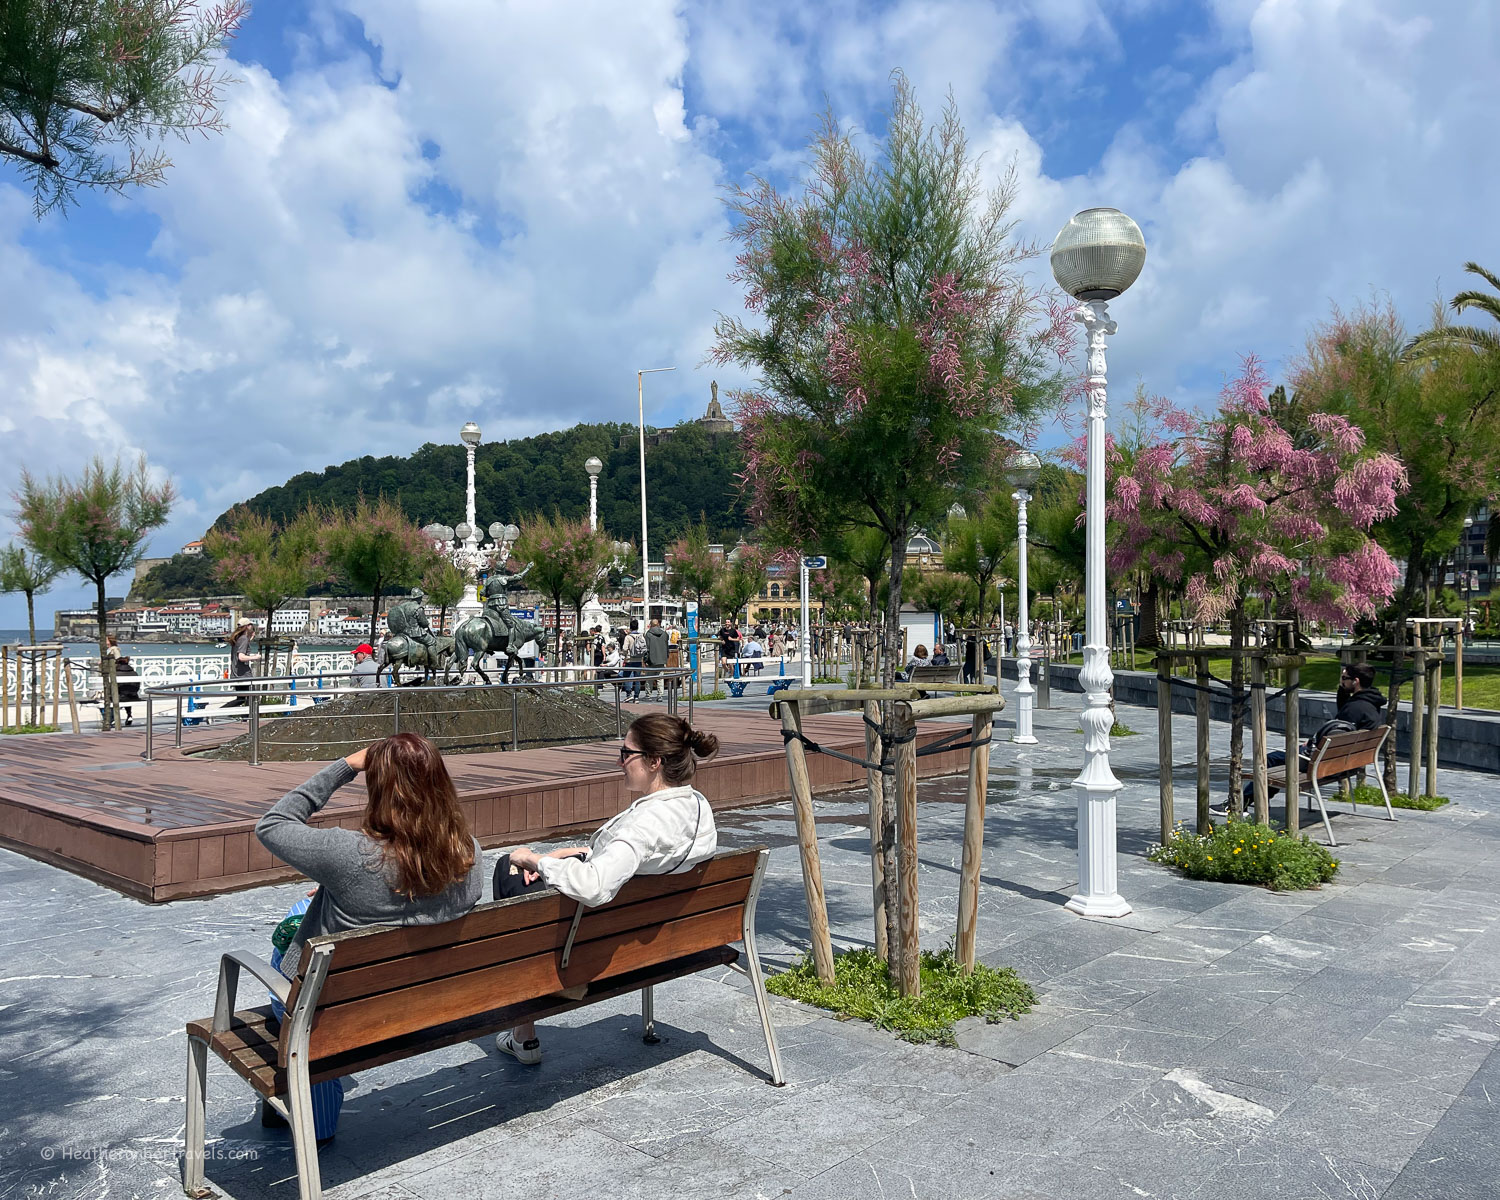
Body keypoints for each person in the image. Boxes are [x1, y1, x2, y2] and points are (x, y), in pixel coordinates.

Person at [255, 733, 484, 1141]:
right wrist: (336, 890)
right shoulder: (469, 852)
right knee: (313, 913)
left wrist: (345, 766)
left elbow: (272, 824)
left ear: (379, 788)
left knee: (295, 933)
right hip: (426, 996)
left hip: (337, 1011)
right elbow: (412, 888)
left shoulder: (348, 854)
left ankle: (317, 1121)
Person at [494, 713, 720, 1064]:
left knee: (507, 870)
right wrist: (577, 855)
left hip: (591, 952)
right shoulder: (698, 807)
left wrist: (535, 860)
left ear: (654, 762)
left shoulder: (644, 824)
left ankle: (524, 1032)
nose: (619, 761)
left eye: (625, 753)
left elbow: (596, 886)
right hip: (664, 939)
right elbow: (648, 861)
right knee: (536, 873)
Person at [1234, 663, 1388, 809]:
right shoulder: (1370, 703)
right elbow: (1341, 726)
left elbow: (1338, 728)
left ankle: (1244, 803)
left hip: (1323, 765)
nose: (1341, 682)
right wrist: (1343, 689)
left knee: (1271, 759)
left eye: (1344, 679)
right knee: (1279, 759)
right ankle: (1258, 799)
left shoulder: (1354, 708)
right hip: (1346, 762)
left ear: (1356, 681)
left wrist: (1309, 746)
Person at [223, 619, 256, 707]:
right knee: (251, 697)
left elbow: (241, 648)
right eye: (251, 625)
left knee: (242, 698)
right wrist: (255, 657)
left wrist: (249, 639)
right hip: (243, 674)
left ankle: (245, 718)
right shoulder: (243, 638)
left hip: (236, 672)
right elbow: (241, 657)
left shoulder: (238, 638)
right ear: (248, 626)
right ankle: (218, 712)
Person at [644, 617, 671, 698]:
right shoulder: (664, 634)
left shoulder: (648, 634)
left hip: (651, 659)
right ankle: (660, 694)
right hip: (662, 659)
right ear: (658, 624)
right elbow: (667, 647)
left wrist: (646, 659)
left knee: (649, 678)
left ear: (651, 625)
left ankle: (648, 694)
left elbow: (647, 648)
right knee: (660, 678)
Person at [621, 619, 647, 702]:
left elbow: (625, 648)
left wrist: (625, 654)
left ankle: (629, 694)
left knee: (627, 677)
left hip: (629, 659)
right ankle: (636, 697)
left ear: (630, 627)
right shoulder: (641, 636)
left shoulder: (628, 637)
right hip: (639, 659)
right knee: (637, 678)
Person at [115, 655, 140, 726]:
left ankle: (111, 718)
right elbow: (137, 687)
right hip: (134, 696)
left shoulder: (116, 674)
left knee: (111, 698)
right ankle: (129, 715)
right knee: (127, 694)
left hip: (121, 697)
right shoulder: (134, 673)